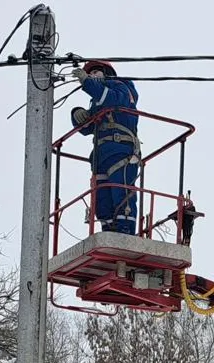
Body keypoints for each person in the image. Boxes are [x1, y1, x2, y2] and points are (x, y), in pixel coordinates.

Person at [69, 60, 140, 234]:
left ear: (107, 73)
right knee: (102, 197)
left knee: (121, 191)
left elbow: (111, 99)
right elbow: (86, 129)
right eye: (90, 74)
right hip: (101, 155)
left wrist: (87, 83)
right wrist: (77, 114)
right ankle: (108, 228)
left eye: (96, 73)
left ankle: (125, 230)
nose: (92, 76)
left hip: (121, 150)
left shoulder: (122, 88)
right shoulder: (97, 100)